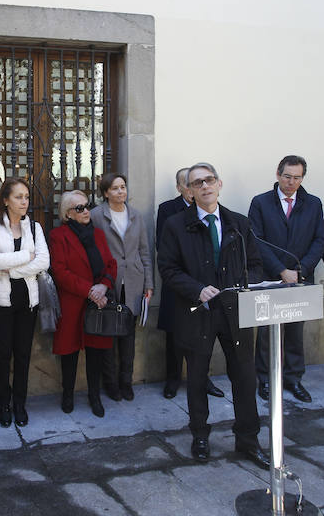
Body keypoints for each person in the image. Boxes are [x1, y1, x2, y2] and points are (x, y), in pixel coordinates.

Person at [156, 162, 269, 468]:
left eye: (209, 180)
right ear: (190, 191)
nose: (204, 186)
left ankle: (248, 439)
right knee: (196, 378)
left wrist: (241, 283)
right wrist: (196, 288)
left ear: (219, 184)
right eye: (197, 183)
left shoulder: (239, 224)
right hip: (197, 312)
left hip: (236, 312)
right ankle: (200, 436)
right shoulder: (176, 225)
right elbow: (167, 268)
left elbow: (256, 265)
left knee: (245, 378)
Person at [248, 155, 324, 403]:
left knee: (295, 331)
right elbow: (256, 240)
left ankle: (293, 379)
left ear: (302, 177)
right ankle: (266, 379)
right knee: (266, 333)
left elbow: (319, 240)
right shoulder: (260, 203)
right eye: (287, 176)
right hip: (270, 277)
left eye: (297, 177)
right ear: (278, 174)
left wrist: (300, 270)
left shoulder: (313, 203)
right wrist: (281, 270)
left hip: (300, 278)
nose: (291, 182)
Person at [0, 178, 50, 427]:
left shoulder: (35, 227)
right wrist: (25, 257)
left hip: (27, 299)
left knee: (22, 354)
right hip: (0, 300)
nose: (24, 201)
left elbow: (43, 261)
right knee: (2, 354)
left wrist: (15, 269)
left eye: (27, 197)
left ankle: (20, 403)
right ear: (6, 200)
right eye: (18, 197)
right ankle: (3, 403)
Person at [155, 168, 224, 400]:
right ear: (181, 188)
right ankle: (172, 380)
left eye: (204, 182)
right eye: (190, 183)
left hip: (207, 288)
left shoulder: (216, 213)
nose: (198, 187)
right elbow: (164, 248)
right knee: (175, 337)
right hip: (179, 286)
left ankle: (203, 379)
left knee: (204, 338)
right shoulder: (168, 210)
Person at [49, 190, 118, 417]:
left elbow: (110, 264)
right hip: (72, 303)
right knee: (69, 354)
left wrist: (103, 286)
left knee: (96, 353)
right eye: (79, 208)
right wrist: (89, 290)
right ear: (67, 214)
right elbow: (59, 271)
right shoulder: (59, 236)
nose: (86, 211)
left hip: (98, 303)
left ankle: (94, 396)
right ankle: (67, 394)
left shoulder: (98, 234)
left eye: (87, 206)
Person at [90, 173, 152, 401]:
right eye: (115, 188)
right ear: (106, 192)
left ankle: (127, 381)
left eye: (123, 187)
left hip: (134, 282)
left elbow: (144, 251)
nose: (121, 192)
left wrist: (149, 283)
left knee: (128, 336)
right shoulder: (97, 215)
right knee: (108, 337)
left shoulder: (136, 215)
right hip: (109, 282)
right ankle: (110, 383)